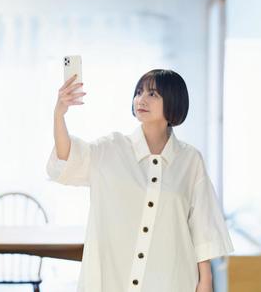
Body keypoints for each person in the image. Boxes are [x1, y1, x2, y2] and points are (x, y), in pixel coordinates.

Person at [46, 69, 233, 292]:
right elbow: (67, 157)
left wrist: (205, 281)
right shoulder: (111, 149)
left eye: (153, 94)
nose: (141, 99)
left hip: (171, 281)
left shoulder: (190, 160)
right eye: (138, 92)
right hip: (113, 281)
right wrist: (59, 114)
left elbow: (203, 226)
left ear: (173, 101)